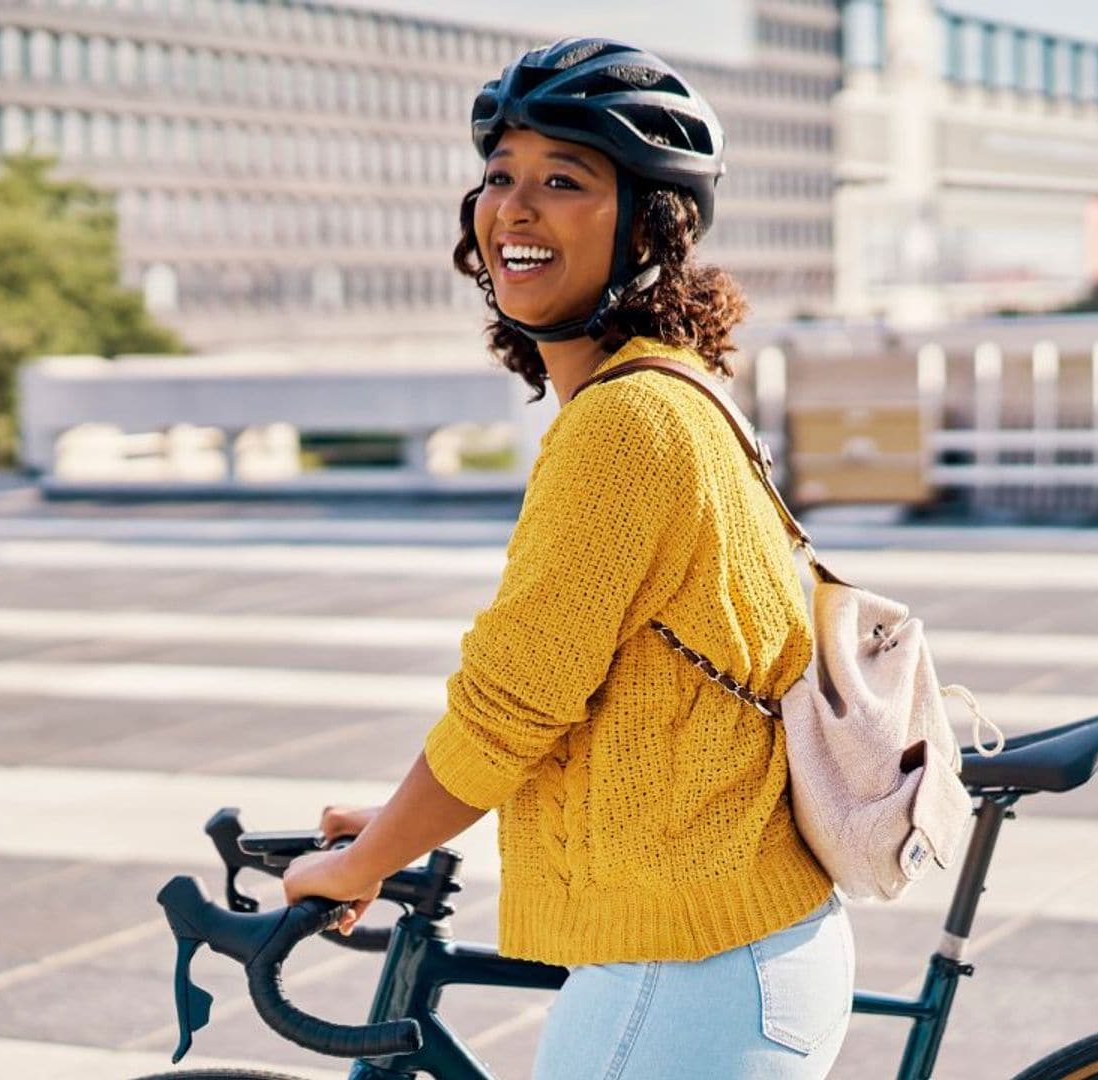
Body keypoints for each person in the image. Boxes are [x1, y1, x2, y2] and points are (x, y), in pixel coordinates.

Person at [282, 37, 853, 1078]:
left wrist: (366, 863)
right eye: (500, 178)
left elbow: (514, 703)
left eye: (563, 180)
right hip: (726, 949)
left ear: (649, 224)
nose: (516, 208)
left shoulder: (626, 426)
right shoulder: (674, 392)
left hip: (684, 976)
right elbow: (615, 703)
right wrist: (405, 821)